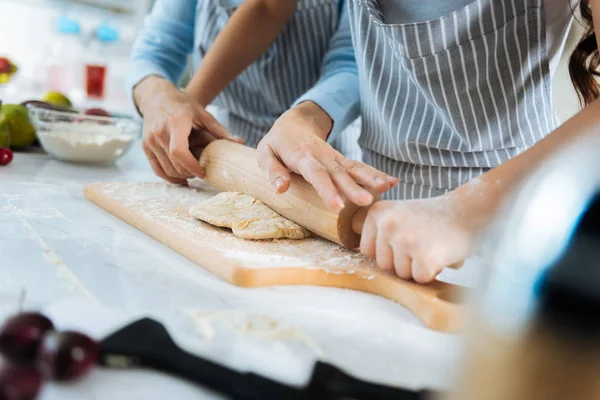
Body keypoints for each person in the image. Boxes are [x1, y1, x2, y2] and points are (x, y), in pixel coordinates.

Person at [253, 0, 599, 282]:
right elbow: (357, 49)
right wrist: (308, 114)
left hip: (511, 239)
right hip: (379, 228)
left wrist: (464, 213)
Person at [128, 0, 396, 205]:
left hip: (320, 161)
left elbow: (355, 62)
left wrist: (305, 119)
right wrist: (158, 95)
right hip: (221, 158)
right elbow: (156, 49)